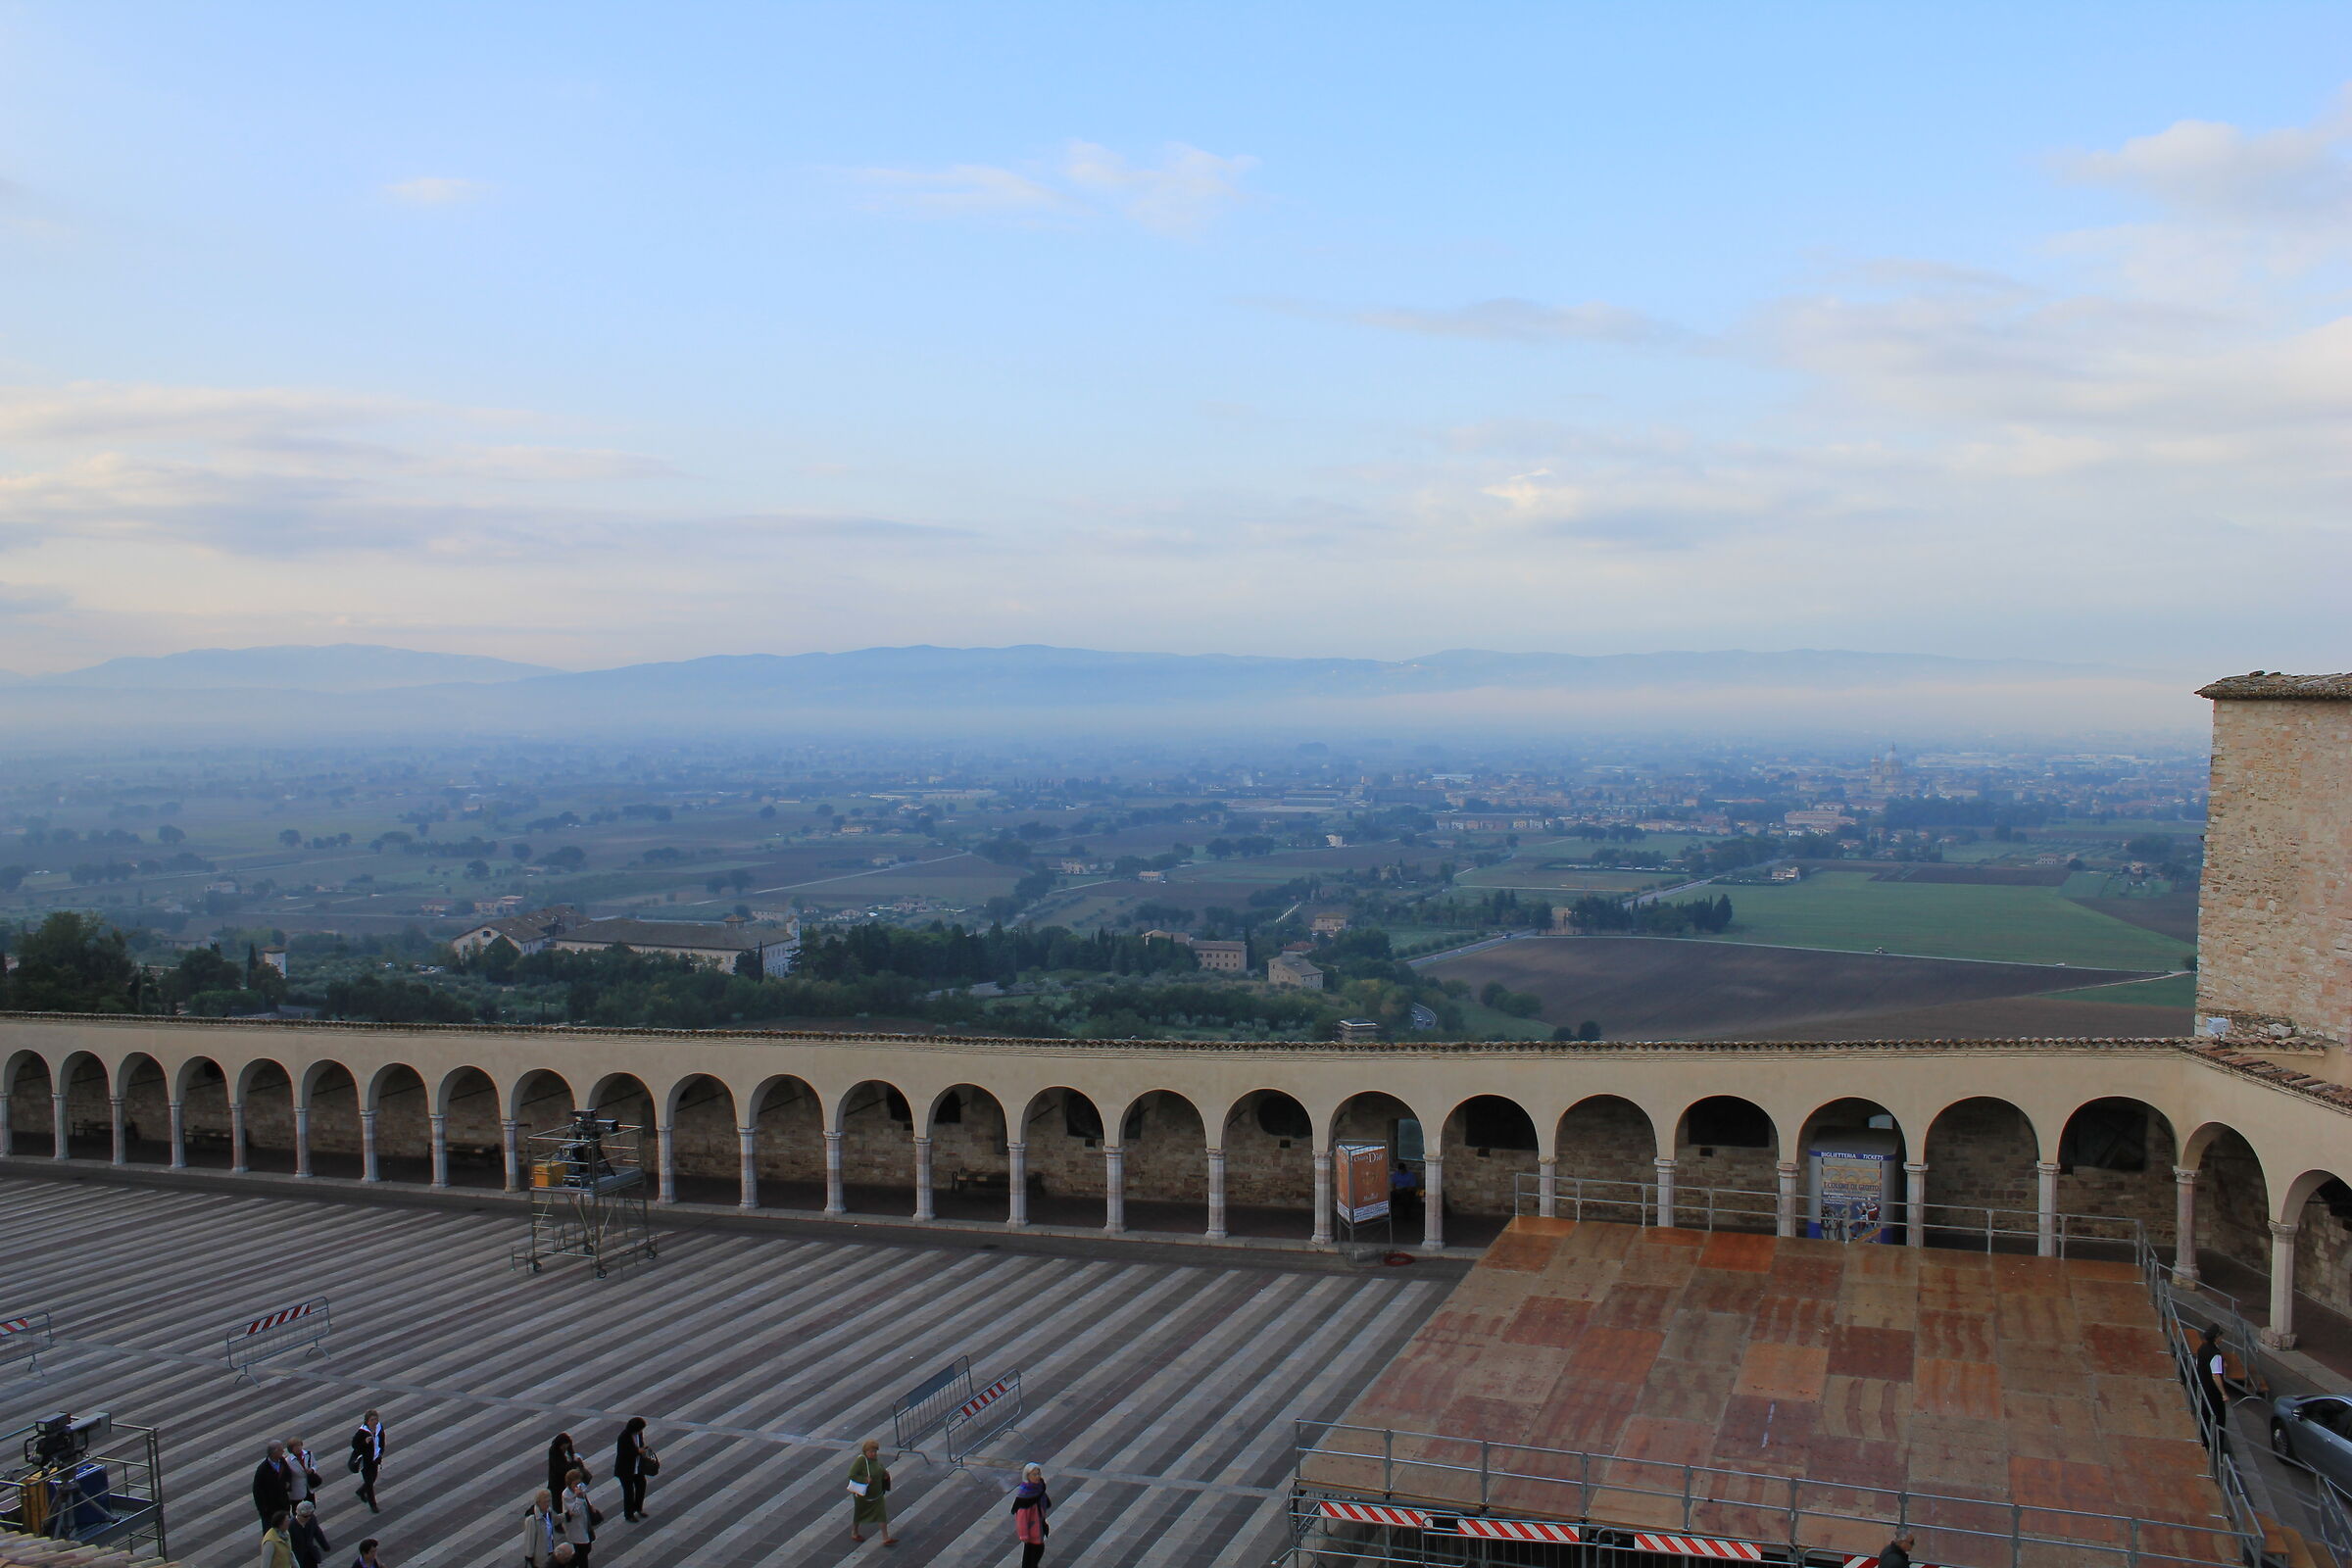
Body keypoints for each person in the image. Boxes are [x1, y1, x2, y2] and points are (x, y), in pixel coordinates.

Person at [847, 1439, 895, 1546]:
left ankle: (885, 1537)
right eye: (871, 1452)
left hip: (877, 1494)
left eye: (875, 1451)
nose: (873, 1454)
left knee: (882, 1514)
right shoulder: (861, 1461)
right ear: (865, 1452)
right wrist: (864, 1479)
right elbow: (851, 1474)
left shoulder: (875, 1459)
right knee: (859, 1514)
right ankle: (854, 1532)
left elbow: (879, 1468)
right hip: (864, 1496)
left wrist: (884, 1474)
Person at [1010, 1463, 1052, 1568]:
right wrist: (1023, 1535)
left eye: (1038, 1474)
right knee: (1034, 1554)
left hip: (1039, 1525)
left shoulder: (1039, 1488)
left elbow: (1043, 1500)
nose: (1037, 1476)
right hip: (1032, 1530)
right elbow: (1021, 1519)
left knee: (1034, 1554)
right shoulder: (1026, 1495)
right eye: (1034, 1474)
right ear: (1027, 1476)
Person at [613, 1418, 653, 1522]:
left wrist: (643, 1450)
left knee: (641, 1486)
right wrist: (637, 1451)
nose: (641, 1431)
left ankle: (638, 1508)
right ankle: (629, 1514)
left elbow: (641, 1444)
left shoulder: (638, 1434)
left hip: (637, 1467)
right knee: (629, 1492)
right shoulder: (623, 1437)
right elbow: (624, 1453)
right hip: (625, 1469)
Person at [349, 1410, 387, 1514]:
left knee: (373, 1478)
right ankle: (373, 1505)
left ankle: (361, 1491)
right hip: (365, 1460)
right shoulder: (362, 1432)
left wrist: (381, 1452)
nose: (374, 1422)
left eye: (376, 1419)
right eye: (372, 1420)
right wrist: (365, 1442)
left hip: (375, 1458)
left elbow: (382, 1440)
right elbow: (355, 1445)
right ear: (367, 1421)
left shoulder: (379, 1427)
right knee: (369, 1483)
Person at [560, 1471, 599, 1568]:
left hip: (585, 1524)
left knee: (587, 1548)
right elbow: (575, 1511)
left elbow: (585, 1497)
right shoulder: (566, 1495)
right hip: (576, 1528)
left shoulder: (580, 1488)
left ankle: (570, 1564)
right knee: (582, 1553)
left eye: (578, 1483)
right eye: (575, 1484)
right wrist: (579, 1497)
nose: (577, 1486)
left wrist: (590, 1505)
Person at [254, 1442, 296, 1531]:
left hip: (283, 1504)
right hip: (270, 1508)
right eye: (281, 1450)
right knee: (270, 1531)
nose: (283, 1451)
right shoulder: (262, 1469)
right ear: (274, 1452)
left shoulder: (282, 1461)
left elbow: (288, 1473)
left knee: (286, 1529)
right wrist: (263, 1509)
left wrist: (288, 1482)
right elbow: (257, 1491)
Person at [522, 1490, 564, 1568]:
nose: (548, 1504)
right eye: (545, 1502)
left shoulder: (549, 1512)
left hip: (550, 1551)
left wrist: (567, 1515)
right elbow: (530, 1540)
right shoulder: (532, 1519)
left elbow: (556, 1519)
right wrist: (529, 1557)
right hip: (539, 1558)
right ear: (538, 1502)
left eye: (549, 1501)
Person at [545, 1434, 588, 1501]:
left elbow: (572, 1454)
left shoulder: (568, 1448)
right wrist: (574, 1463)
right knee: (558, 1500)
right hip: (558, 1482)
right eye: (563, 1447)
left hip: (568, 1480)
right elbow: (560, 1468)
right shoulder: (554, 1452)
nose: (565, 1449)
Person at [286, 1438, 323, 1514]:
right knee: (296, 1510)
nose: (298, 1448)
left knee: (311, 1507)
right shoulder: (288, 1461)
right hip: (297, 1489)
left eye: (299, 1445)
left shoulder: (308, 1454)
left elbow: (315, 1464)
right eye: (296, 1446)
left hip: (309, 1486)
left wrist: (312, 1470)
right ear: (291, 1449)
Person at [290, 1500, 331, 1568]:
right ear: (298, 1514)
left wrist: (325, 1546)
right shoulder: (291, 1525)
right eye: (306, 1516)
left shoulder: (312, 1519)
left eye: (310, 1515)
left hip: (311, 1555)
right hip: (298, 1556)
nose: (308, 1518)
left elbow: (317, 1532)